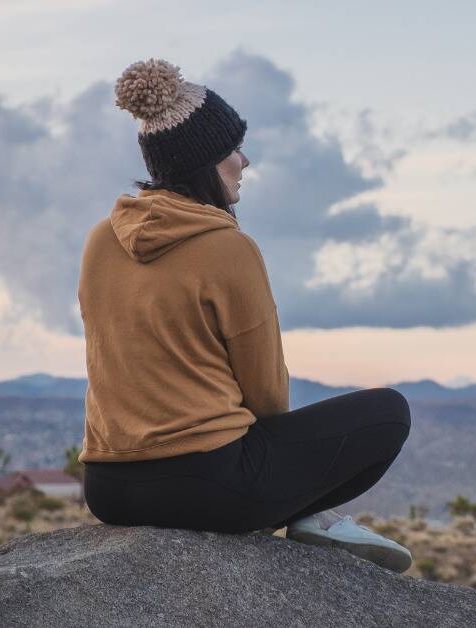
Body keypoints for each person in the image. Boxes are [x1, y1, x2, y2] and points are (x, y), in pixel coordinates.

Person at [76, 58, 413, 573]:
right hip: (207, 486)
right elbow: (268, 397)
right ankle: (309, 515)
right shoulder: (228, 248)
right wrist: (289, 476)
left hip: (108, 487)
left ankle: (308, 512)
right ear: (205, 162)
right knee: (390, 412)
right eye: (233, 149)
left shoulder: (102, 240)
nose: (245, 161)